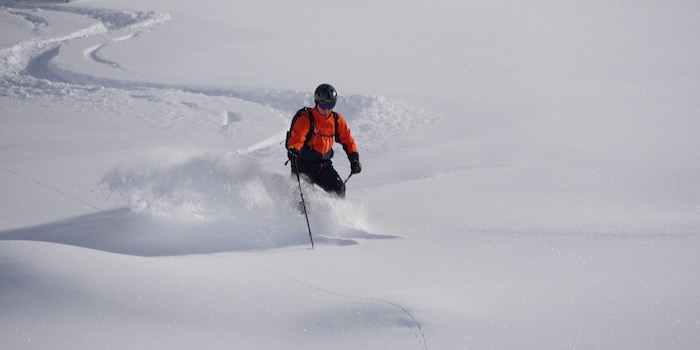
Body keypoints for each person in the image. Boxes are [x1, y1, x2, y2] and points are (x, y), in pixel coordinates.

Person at [286, 83, 362, 198]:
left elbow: (348, 140)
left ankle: (334, 214)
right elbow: (297, 137)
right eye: (323, 106)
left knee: (339, 189)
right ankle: (296, 215)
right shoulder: (306, 119)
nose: (327, 110)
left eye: (330, 106)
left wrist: (354, 159)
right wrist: (293, 150)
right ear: (316, 103)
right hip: (303, 165)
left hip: (324, 166)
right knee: (303, 198)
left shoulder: (336, 120)